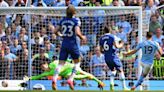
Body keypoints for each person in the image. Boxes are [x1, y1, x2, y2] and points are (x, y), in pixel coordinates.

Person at [53, 5, 86, 90]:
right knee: (77, 62)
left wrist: (61, 35)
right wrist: (82, 37)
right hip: (72, 43)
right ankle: (71, 79)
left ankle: (54, 78)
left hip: (64, 43)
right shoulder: (76, 20)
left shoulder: (62, 20)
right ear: (74, 12)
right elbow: (77, 32)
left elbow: (55, 31)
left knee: (60, 64)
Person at [24, 59, 105, 88]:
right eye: (42, 68)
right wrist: (29, 78)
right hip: (66, 73)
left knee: (84, 74)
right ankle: (90, 77)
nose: (43, 68)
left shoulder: (53, 64)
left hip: (71, 67)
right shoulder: (46, 72)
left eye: (43, 66)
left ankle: (99, 81)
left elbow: (61, 63)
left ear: (46, 63)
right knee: (78, 78)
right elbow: (38, 76)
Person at [99, 26, 129, 91]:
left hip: (106, 57)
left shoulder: (101, 38)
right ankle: (124, 87)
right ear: (110, 30)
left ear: (104, 31)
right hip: (113, 56)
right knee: (120, 70)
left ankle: (111, 84)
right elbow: (117, 46)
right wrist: (122, 44)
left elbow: (101, 50)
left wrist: (107, 52)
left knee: (113, 70)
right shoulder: (112, 37)